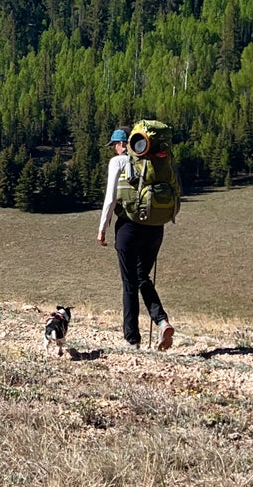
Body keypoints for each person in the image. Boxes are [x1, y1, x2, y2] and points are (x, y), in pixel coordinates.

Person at [97, 126, 175, 350]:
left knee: (130, 283)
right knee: (143, 277)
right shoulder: (156, 161)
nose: (114, 149)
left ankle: (133, 340)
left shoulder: (119, 162)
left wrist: (102, 227)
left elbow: (111, 197)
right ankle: (161, 320)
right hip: (155, 227)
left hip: (128, 228)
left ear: (123, 144)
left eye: (114, 145)